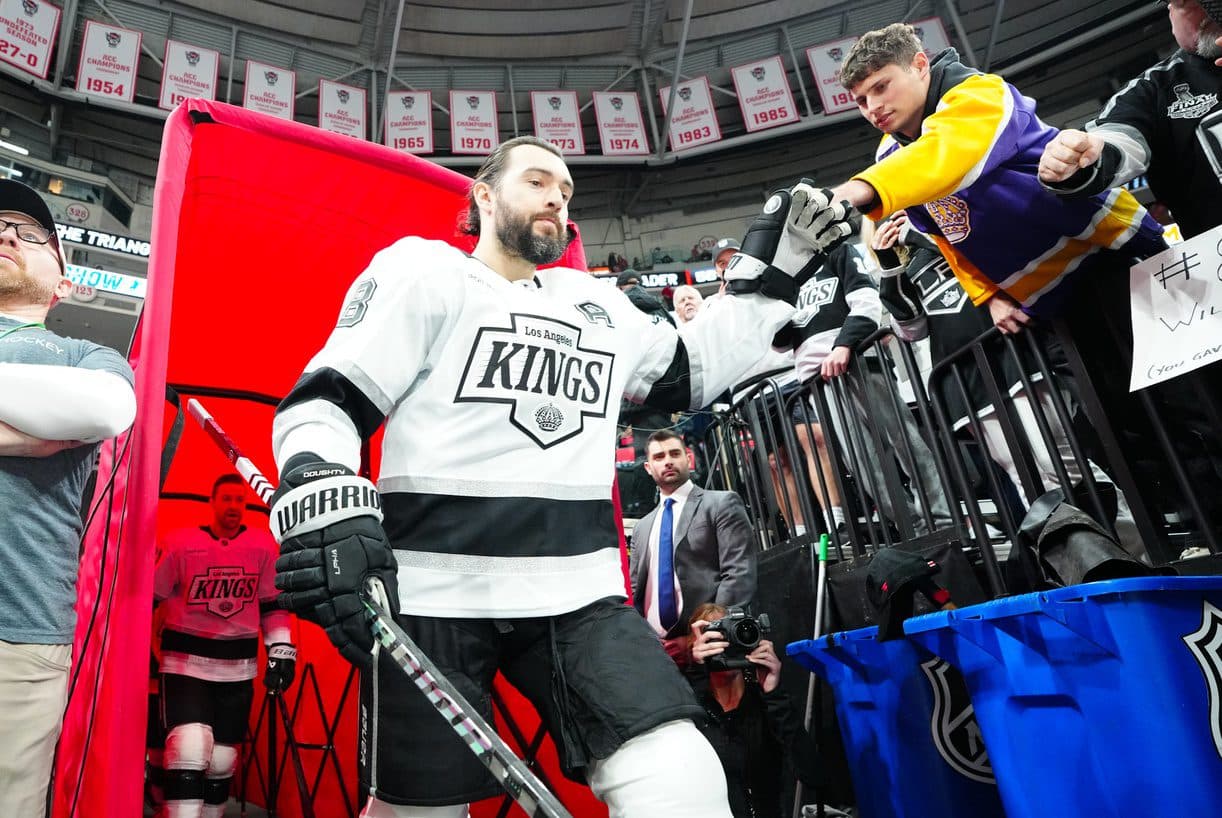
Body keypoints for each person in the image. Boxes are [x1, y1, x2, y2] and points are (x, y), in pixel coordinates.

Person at [267, 135, 851, 817]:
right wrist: (323, 500)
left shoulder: (591, 299)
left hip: (577, 596)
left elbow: (689, 371)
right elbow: (327, 402)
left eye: (567, 191)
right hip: (430, 595)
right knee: (415, 812)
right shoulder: (424, 272)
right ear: (483, 196)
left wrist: (772, 281)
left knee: (684, 778)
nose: (557, 198)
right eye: (539, 181)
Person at [870, 212, 1146, 558]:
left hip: (1012, 355)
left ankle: (1136, 551)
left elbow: (993, 258)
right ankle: (1081, 563)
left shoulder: (956, 223)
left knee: (1059, 459)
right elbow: (912, 329)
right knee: (1026, 479)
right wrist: (888, 266)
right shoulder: (903, 258)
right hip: (964, 376)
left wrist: (922, 229)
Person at [0, 179, 136, 817]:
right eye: (0, 227)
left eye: (30, 235)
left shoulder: (89, 355)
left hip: (20, 634)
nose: (7, 235)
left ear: (63, 280)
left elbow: (108, 408)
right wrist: (33, 429)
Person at [154, 474, 297, 818]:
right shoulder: (180, 544)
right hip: (185, 665)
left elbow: (272, 605)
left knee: (221, 759)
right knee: (189, 748)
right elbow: (149, 598)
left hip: (237, 668)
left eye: (239, 500)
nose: (234, 506)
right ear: (212, 503)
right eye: (227, 499)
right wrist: (140, 650)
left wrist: (281, 649)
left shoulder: (263, 548)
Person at [790, 241, 954, 539]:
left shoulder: (836, 253)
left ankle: (942, 524)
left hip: (859, 359)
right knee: (863, 466)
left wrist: (844, 344)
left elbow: (867, 299)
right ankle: (914, 529)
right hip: (820, 380)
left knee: (905, 443)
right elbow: (779, 342)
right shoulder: (786, 281)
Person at [1037, 0, 1221, 239]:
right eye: (1187, 3)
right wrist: (1082, 155)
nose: (1208, 12)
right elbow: (1118, 137)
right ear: (1171, 14)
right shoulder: (1154, 88)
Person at [630, 429, 756, 666]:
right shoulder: (642, 527)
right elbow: (637, 588)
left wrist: (703, 636)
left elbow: (739, 574)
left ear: (688, 458)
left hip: (710, 646)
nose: (667, 461)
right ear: (648, 468)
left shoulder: (720, 503)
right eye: (658, 457)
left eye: (674, 453)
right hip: (655, 653)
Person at [688, 603, 821, 818]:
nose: (727, 645)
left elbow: (813, 774)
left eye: (734, 634)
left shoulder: (765, 703)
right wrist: (697, 675)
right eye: (717, 637)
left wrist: (774, 693)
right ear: (699, 645)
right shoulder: (691, 709)